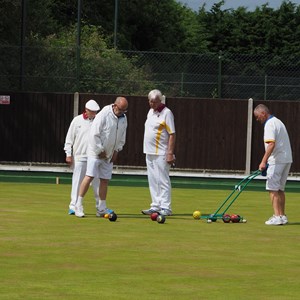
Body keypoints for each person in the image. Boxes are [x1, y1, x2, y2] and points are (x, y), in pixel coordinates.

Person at [74, 97, 128, 218]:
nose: (122, 112)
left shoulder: (124, 118)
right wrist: (100, 150)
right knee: (89, 177)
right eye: (120, 110)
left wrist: (117, 150)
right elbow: (94, 133)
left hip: (109, 155)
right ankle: (78, 205)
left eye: (124, 110)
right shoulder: (104, 114)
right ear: (114, 105)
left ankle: (101, 208)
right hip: (95, 152)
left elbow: (122, 137)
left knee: (104, 180)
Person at [254, 104, 293, 225]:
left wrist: (263, 161)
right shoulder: (278, 122)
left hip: (276, 160)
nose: (257, 119)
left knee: (272, 188)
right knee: (280, 189)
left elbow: (271, 144)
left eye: (257, 116)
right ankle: (282, 216)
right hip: (286, 159)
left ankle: (276, 216)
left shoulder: (270, 125)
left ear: (263, 114)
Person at [141, 89, 176, 216]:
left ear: (160, 101)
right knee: (152, 179)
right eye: (150, 101)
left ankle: (166, 207)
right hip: (149, 152)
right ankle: (155, 205)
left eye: (155, 102)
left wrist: (170, 153)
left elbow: (172, 134)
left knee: (163, 180)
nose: (152, 104)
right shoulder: (150, 112)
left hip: (161, 152)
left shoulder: (167, 113)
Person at [64, 99, 101, 215]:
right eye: (92, 111)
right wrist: (68, 154)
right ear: (86, 110)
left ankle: (100, 206)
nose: (94, 114)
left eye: (96, 112)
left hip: (94, 156)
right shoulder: (77, 120)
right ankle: (73, 206)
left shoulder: (98, 121)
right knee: (77, 182)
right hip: (80, 156)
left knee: (97, 183)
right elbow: (69, 138)